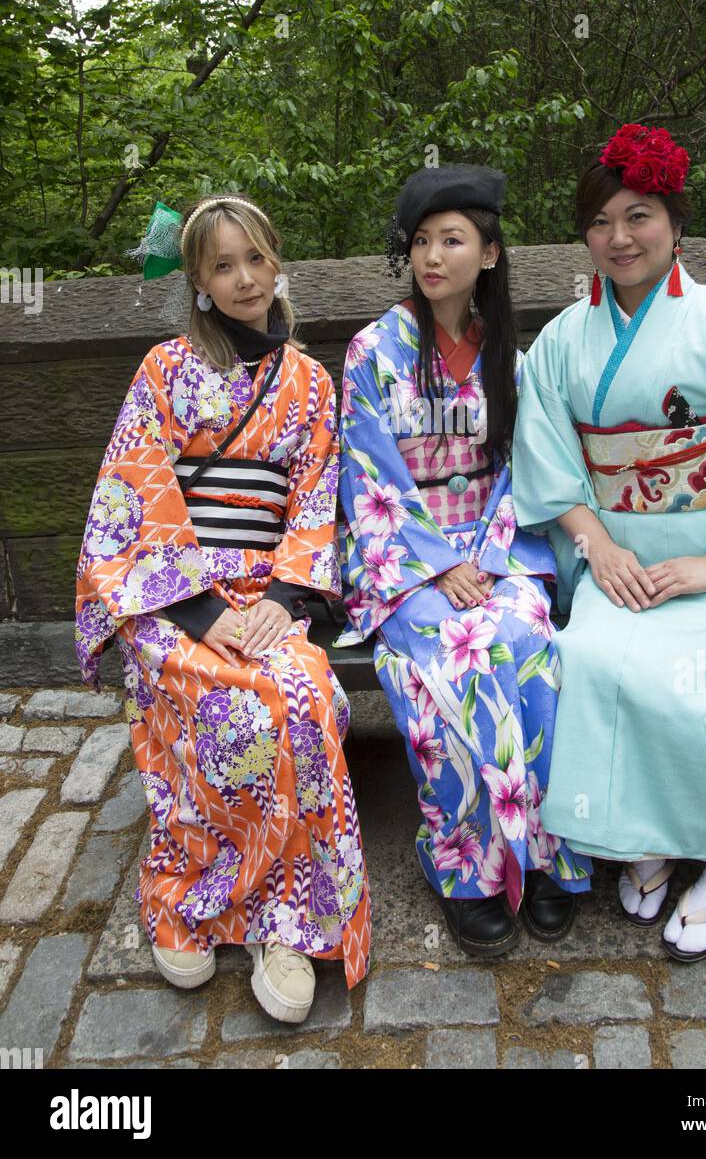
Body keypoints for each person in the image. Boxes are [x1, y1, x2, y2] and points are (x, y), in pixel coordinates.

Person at [511, 125, 706, 961]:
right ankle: (644, 840)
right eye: (601, 222)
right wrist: (596, 546)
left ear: (676, 222)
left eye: (640, 216)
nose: (619, 238)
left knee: (697, 674)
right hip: (618, 560)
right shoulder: (560, 344)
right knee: (591, 658)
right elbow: (546, 459)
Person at [75, 194, 371, 1020]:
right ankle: (190, 896)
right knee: (218, 698)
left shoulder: (311, 382)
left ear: (277, 263)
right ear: (200, 283)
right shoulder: (165, 369)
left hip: (269, 587)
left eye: (256, 259)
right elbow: (135, 492)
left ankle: (290, 921)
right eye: (222, 266)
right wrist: (202, 609)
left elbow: (317, 499)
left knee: (302, 697)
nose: (244, 279)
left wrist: (281, 597)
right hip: (174, 590)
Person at [335, 164, 592, 957]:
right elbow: (368, 473)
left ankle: (549, 854)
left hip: (497, 543)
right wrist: (438, 564)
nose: (433, 256)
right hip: (403, 557)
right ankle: (465, 868)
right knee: (454, 660)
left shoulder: (508, 351)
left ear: (489, 253)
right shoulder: (373, 350)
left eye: (453, 240)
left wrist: (481, 556)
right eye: (420, 241)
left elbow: (524, 467)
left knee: (529, 648)